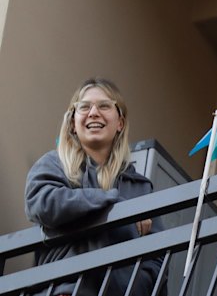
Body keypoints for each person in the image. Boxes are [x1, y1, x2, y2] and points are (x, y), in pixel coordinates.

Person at [25, 78, 167, 296]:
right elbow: (41, 203)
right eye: (84, 107)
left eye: (104, 106)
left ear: (120, 122)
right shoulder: (54, 164)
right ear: (73, 122)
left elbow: (157, 260)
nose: (93, 113)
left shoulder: (140, 188)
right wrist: (111, 202)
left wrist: (136, 285)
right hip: (65, 291)